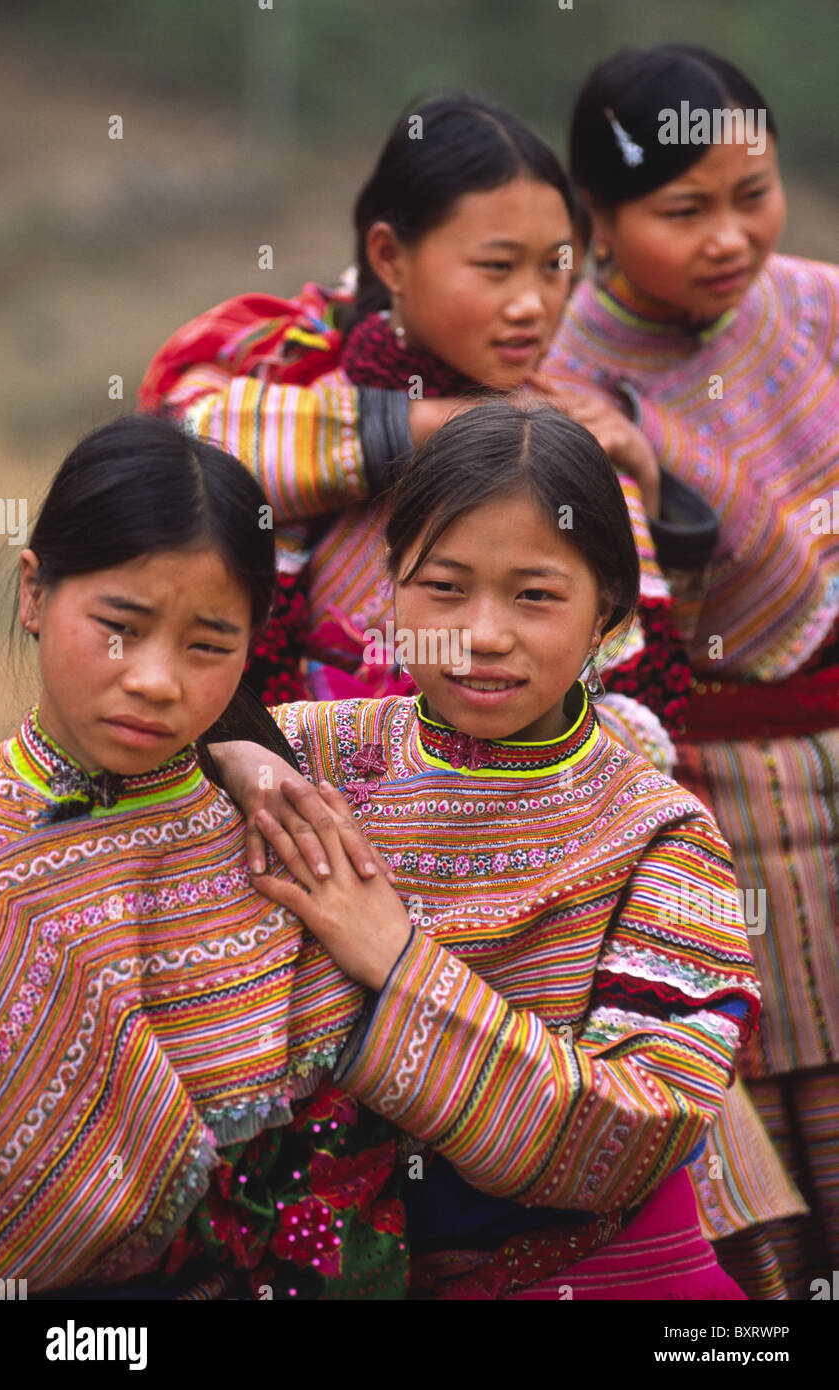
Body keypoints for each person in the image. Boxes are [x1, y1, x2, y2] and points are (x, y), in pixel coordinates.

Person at [210, 400, 761, 1299]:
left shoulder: (657, 833)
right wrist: (229, 752)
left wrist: (393, 960)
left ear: (608, 615)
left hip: (594, 1271)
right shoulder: (308, 752)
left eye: (535, 595)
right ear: (390, 591)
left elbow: (635, 1130)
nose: (483, 632)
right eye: (443, 586)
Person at [139, 95, 700, 763]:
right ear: (389, 257)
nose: (531, 304)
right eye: (496, 267)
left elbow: (632, 693)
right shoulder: (290, 405)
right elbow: (175, 458)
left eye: (556, 268)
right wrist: (454, 423)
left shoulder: (571, 441)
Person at [540, 43, 837, 1299]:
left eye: (753, 191)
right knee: (763, 1106)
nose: (732, 236)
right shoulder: (554, 374)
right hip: (710, 796)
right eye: (684, 209)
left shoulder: (820, 309)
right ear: (595, 218)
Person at [0, 413, 407, 1299]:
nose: (155, 679)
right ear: (35, 594)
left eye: (208, 645)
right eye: (120, 626)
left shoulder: (280, 828)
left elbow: (346, 1141)